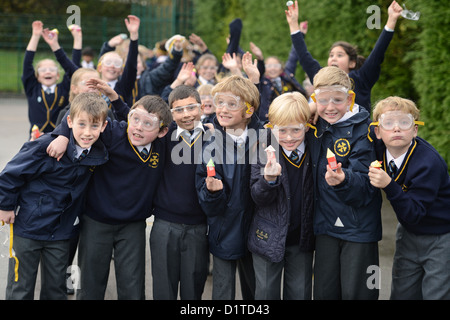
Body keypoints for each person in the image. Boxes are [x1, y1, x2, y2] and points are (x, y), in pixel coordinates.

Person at [47, 80, 172, 300]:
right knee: (91, 284)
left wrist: (115, 97)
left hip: (133, 225)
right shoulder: (115, 132)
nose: (139, 128)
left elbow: (190, 123)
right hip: (96, 221)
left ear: (162, 132)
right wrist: (62, 135)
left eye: (148, 124)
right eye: (135, 119)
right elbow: (79, 117)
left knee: (132, 285)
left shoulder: (163, 144)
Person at [0, 92, 109, 300]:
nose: (87, 132)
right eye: (82, 124)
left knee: (56, 289)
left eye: (95, 126)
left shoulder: (98, 154)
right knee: (20, 287)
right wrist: (5, 206)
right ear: (69, 122)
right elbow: (10, 174)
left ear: (103, 127)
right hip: (27, 228)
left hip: (61, 233)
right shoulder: (45, 147)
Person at [306, 66, 382, 299]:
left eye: (337, 100)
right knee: (324, 293)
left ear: (349, 98)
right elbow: (275, 120)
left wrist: (343, 179)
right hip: (325, 227)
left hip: (359, 230)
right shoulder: (313, 123)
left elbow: (366, 187)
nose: (330, 107)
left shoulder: (365, 129)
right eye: (322, 100)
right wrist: (306, 109)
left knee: (360, 294)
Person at [368, 96, 450, 300]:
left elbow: (413, 213)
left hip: (441, 235)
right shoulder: (378, 145)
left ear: (415, 130)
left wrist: (389, 185)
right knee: (402, 293)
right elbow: (352, 120)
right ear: (377, 131)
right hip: (408, 232)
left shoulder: (428, 163)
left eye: (405, 122)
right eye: (388, 123)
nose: (396, 129)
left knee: (436, 294)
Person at [195, 75, 263, 300]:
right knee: (223, 291)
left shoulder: (264, 138)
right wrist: (212, 192)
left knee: (255, 290)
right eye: (219, 103)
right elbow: (205, 198)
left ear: (249, 111)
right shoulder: (210, 144)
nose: (222, 110)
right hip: (223, 230)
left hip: (257, 231)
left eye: (231, 104)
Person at [248, 92, 314, 299]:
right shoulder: (262, 147)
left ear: (307, 125)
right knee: (266, 292)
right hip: (268, 237)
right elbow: (257, 197)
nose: (289, 137)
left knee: (300, 292)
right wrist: (268, 181)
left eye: (296, 130)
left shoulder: (315, 146)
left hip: (301, 237)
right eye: (282, 130)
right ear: (271, 126)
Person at [285, 0, 403, 113]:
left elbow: (378, 53)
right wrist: (293, 24)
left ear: (352, 63)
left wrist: (391, 20)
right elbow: (303, 56)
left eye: (340, 55)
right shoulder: (321, 78)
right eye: (331, 55)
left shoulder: (361, 79)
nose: (333, 58)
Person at [150, 85, 210, 300]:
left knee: (193, 290)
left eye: (191, 107)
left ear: (202, 107)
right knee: (163, 289)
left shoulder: (214, 137)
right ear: (171, 114)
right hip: (165, 224)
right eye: (179, 110)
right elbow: (136, 118)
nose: (186, 114)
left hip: (199, 227)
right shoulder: (163, 137)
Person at [22, 20, 79, 134]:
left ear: (58, 75)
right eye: (43, 70)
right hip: (36, 137)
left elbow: (74, 70)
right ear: (37, 76)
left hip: (59, 137)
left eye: (52, 70)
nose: (48, 72)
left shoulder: (64, 89)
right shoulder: (32, 89)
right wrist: (35, 36)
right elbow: (27, 64)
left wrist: (55, 45)